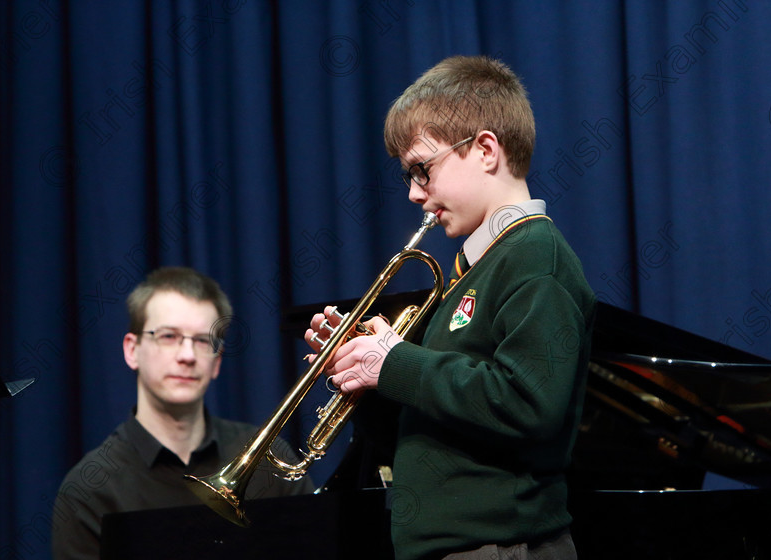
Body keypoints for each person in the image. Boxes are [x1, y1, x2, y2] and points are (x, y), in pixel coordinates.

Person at [305, 56, 596, 559]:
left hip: (502, 548)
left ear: (485, 149)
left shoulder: (535, 256)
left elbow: (530, 406)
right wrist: (365, 379)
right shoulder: (471, 268)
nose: (416, 193)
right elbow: (420, 438)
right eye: (409, 177)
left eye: (424, 169)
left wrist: (396, 362)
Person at [52, 267, 314, 560]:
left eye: (203, 341)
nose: (187, 355)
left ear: (217, 362)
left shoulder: (271, 460)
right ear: (132, 350)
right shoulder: (87, 490)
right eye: (168, 336)